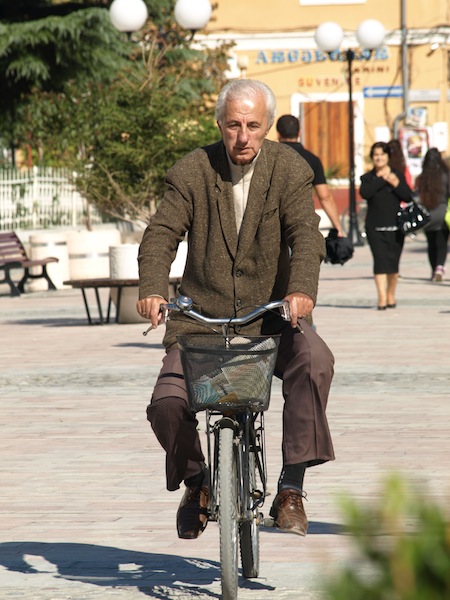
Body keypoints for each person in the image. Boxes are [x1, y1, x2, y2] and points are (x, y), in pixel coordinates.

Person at [137, 79, 335, 540]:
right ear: (219, 124)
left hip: (274, 318)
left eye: (252, 125)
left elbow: (306, 234)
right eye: (233, 125)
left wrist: (301, 290)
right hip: (201, 324)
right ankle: (198, 483)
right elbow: (161, 235)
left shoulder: (289, 168)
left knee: (315, 360)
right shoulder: (192, 170)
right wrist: (153, 289)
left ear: (267, 126)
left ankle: (291, 488)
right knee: (167, 405)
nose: (243, 136)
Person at [360, 141, 412, 309]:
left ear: (388, 156)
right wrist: (382, 179)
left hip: (396, 227)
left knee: (393, 263)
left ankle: (391, 295)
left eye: (382, 154)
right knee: (380, 261)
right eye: (376, 155)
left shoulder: (397, 175)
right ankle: (382, 298)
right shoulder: (368, 178)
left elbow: (408, 196)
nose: (379, 158)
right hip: (374, 227)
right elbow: (365, 193)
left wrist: (396, 183)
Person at [276, 114, 344, 236]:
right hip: (301, 221)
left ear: (278, 134)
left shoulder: (270, 157)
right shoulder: (312, 159)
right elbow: (325, 197)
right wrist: (338, 228)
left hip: (274, 220)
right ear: (299, 133)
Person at [415, 147, 450, 281]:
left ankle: (433, 269)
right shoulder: (446, 175)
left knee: (431, 244)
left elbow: (416, 195)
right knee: (442, 242)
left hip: (427, 215)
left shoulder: (422, 178)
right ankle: (439, 268)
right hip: (442, 213)